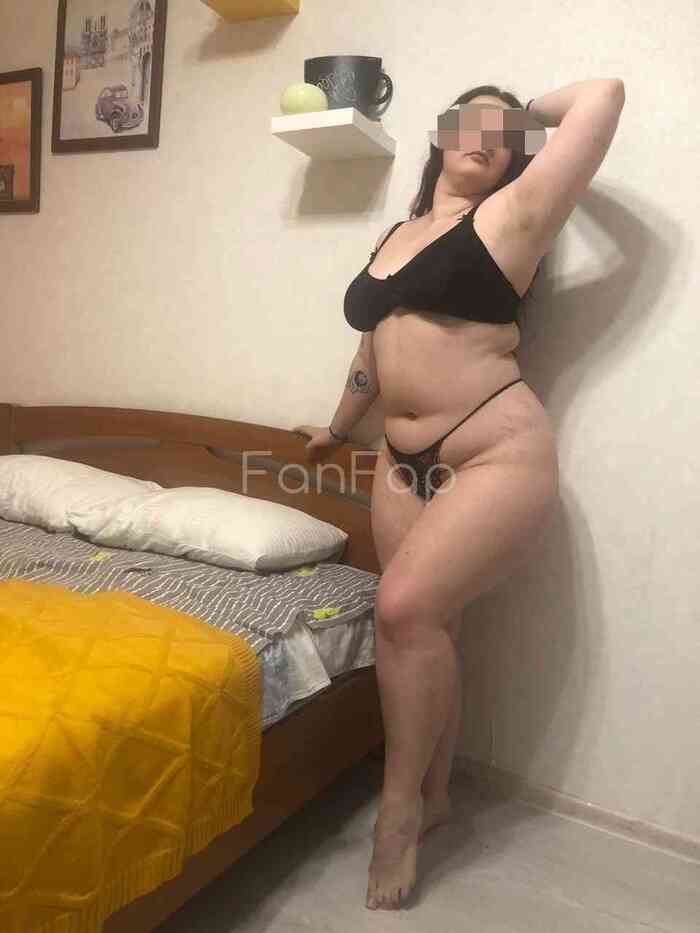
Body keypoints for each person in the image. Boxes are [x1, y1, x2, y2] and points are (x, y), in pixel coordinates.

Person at [294, 78, 625, 910]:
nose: (485, 135)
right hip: (398, 459)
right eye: (469, 121)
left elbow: (605, 95)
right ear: (440, 135)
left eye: (503, 132)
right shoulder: (397, 235)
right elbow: (373, 349)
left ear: (518, 153)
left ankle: (398, 811)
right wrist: (337, 427)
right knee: (427, 624)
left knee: (403, 608)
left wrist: (517, 112)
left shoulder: (516, 216)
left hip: (492, 452)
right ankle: (437, 790)